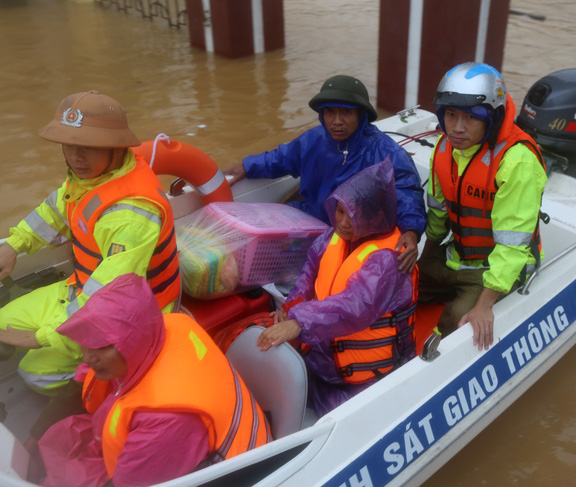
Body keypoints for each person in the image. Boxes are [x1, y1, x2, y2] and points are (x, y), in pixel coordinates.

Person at [0, 91, 181, 395]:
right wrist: (14, 245)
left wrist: (43, 337)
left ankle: (91, 392)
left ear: (116, 148)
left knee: (33, 373)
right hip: (82, 287)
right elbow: (54, 210)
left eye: (88, 147)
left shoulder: (131, 215)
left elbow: (108, 299)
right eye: (69, 145)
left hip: (128, 316)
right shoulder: (86, 178)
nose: (76, 157)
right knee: (3, 324)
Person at [37, 273, 271, 487]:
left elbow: (129, 483)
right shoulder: (163, 327)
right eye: (88, 341)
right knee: (57, 439)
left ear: (131, 339)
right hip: (166, 440)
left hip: (223, 473)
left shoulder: (166, 421)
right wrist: (37, 429)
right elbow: (84, 374)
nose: (87, 357)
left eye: (102, 346)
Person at [256, 160, 418, 416]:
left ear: (376, 215)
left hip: (366, 378)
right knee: (269, 378)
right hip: (323, 355)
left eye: (353, 215)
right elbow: (309, 275)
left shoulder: (387, 260)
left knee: (331, 418)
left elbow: (356, 306)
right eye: (340, 211)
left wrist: (298, 323)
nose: (342, 222)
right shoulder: (333, 237)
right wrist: (290, 308)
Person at [224, 74, 427, 272]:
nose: (336, 121)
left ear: (361, 115)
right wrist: (247, 165)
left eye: (345, 113)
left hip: (353, 233)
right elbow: (281, 157)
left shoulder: (386, 152)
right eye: (330, 112)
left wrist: (411, 230)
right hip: (311, 213)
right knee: (250, 239)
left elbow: (407, 191)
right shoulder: (313, 139)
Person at [417, 62, 547, 351]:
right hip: (458, 254)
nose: (457, 128)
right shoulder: (443, 149)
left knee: (455, 319)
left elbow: (512, 245)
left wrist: (485, 305)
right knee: (404, 286)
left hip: (498, 269)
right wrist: (425, 263)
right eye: (450, 115)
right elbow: (438, 213)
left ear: (492, 117)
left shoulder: (517, 163)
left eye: (470, 118)